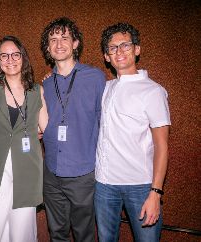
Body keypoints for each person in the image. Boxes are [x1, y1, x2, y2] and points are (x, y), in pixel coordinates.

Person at [95, 23, 171, 242]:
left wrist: (155, 193)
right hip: (104, 184)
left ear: (137, 49)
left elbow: (162, 146)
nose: (119, 51)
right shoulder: (106, 88)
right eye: (113, 48)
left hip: (140, 185)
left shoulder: (153, 91)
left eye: (125, 45)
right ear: (106, 56)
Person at [40, 17, 106, 242]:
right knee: (57, 233)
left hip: (82, 173)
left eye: (65, 38)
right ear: (48, 48)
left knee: (84, 234)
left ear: (75, 43)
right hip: (51, 172)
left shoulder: (96, 77)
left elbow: (105, 122)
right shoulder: (46, 84)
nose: (59, 44)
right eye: (53, 39)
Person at [0, 35, 48, 242]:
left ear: (23, 57)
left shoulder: (37, 91)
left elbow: (48, 129)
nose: (10, 59)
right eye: (4, 55)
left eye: (15, 54)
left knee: (22, 231)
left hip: (27, 169)